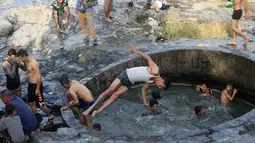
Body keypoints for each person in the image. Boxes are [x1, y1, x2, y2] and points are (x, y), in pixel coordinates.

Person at [83, 44, 170, 117]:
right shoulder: (155, 71)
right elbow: (148, 58)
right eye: (160, 85)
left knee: (115, 95)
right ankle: (91, 108)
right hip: (125, 74)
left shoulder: (150, 81)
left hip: (129, 82)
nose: (158, 86)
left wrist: (144, 102)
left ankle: (98, 111)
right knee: (110, 90)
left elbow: (144, 90)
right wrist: (135, 50)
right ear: (162, 80)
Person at [16, 49, 54, 123]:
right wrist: (18, 65)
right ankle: (36, 118)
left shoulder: (34, 63)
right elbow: (25, 69)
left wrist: (37, 89)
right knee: (30, 103)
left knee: (40, 104)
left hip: (37, 85)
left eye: (20, 58)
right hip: (30, 85)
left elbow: (39, 76)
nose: (20, 60)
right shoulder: (26, 61)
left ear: (24, 56)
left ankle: (50, 115)